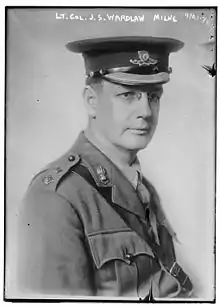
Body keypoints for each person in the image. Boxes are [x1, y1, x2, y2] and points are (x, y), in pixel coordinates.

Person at [17, 36, 194, 300]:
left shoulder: (142, 189)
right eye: (127, 95)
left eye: (154, 97)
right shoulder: (57, 197)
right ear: (91, 101)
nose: (146, 111)